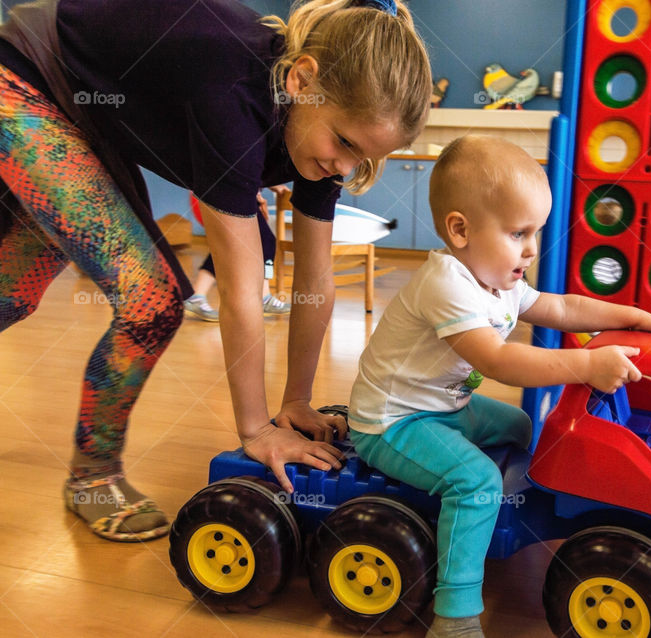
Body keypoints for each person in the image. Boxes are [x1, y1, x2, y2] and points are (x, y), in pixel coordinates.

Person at [0, 0, 431, 541]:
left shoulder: (321, 125)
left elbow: (314, 278)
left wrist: (295, 400)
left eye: (363, 160)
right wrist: (255, 429)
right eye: (345, 145)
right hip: (23, 78)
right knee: (150, 300)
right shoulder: (232, 83)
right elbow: (240, 284)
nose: (345, 167)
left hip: (89, 113)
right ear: (302, 80)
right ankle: (93, 477)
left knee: (13, 291)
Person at [348, 135, 651, 638]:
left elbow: (563, 308)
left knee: (521, 424)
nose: (531, 249)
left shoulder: (500, 281)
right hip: (393, 420)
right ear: (460, 230)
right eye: (518, 232)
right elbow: (499, 361)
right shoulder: (447, 284)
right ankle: (453, 615)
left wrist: (631, 315)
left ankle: (503, 520)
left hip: (444, 406)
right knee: (477, 481)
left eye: (536, 232)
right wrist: (584, 367)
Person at [184, 189, 292, 322]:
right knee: (266, 241)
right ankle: (264, 297)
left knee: (228, 245)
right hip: (229, 191)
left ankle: (197, 295)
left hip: (221, 191)